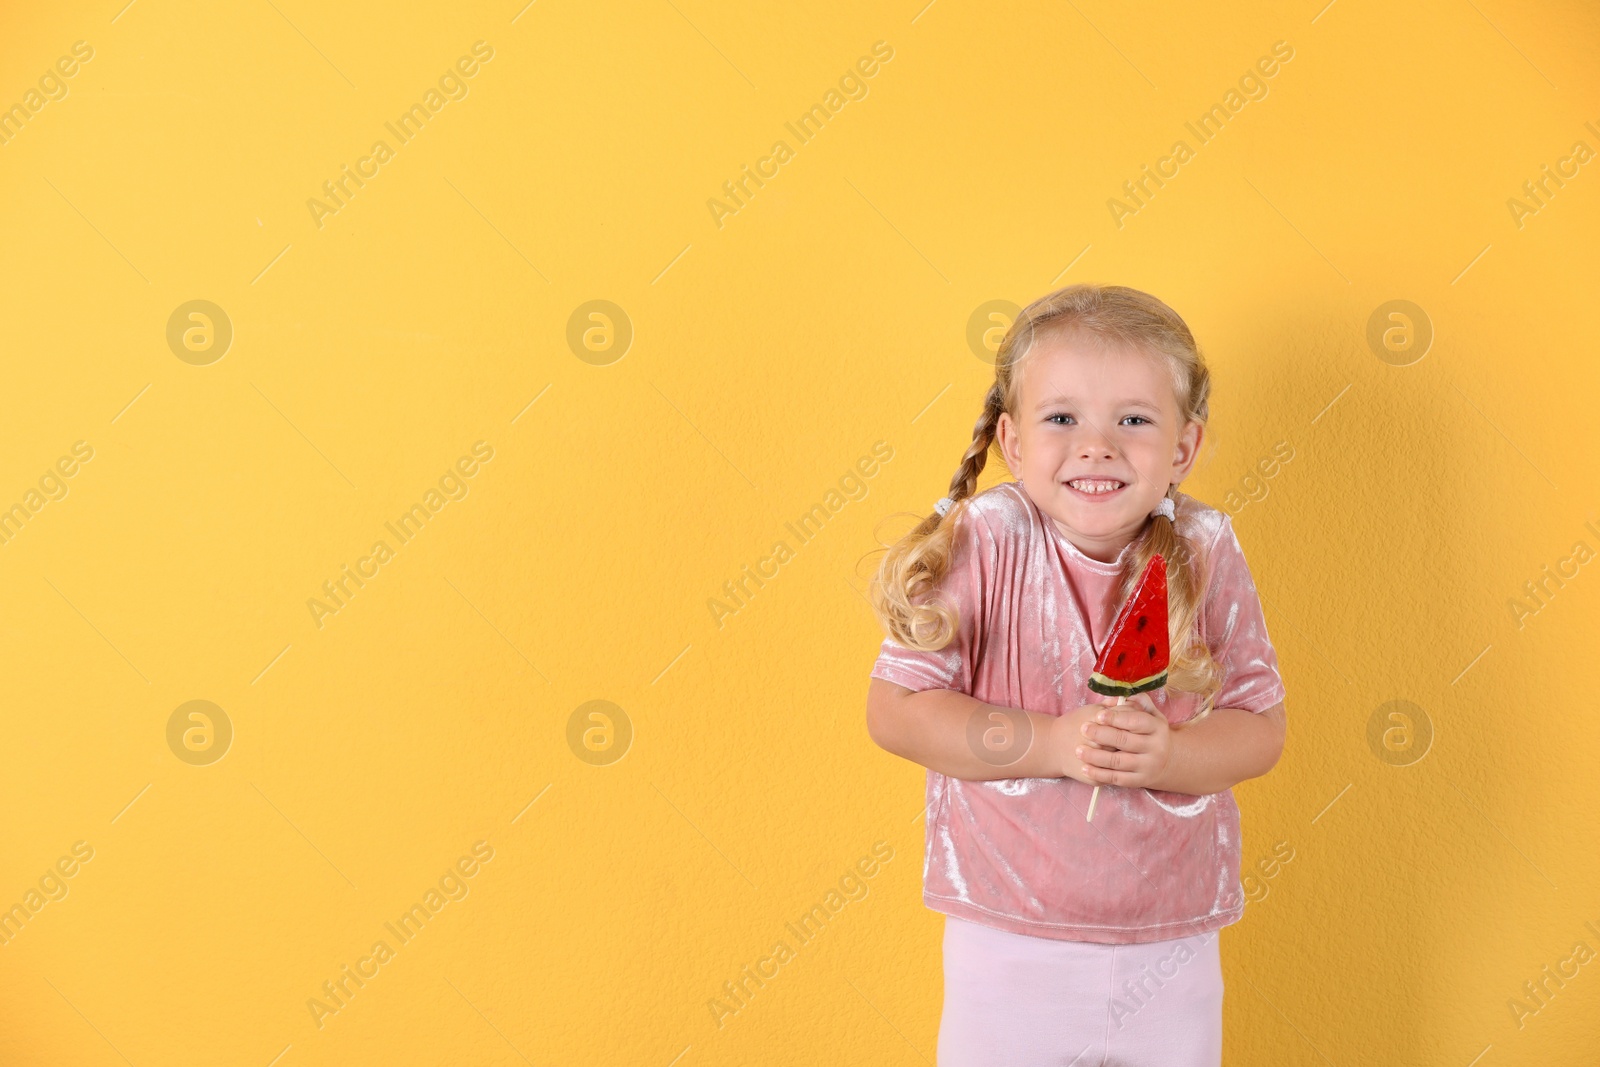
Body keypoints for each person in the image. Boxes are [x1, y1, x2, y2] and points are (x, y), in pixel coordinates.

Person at [865, 283, 1288, 1066]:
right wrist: (1053, 742)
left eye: (1133, 419)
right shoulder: (988, 538)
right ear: (1014, 441)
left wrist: (1172, 756)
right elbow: (896, 710)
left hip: (1174, 938)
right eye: (1063, 418)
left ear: (1183, 449)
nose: (1097, 446)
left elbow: (1261, 728)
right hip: (1008, 937)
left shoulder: (1206, 545)